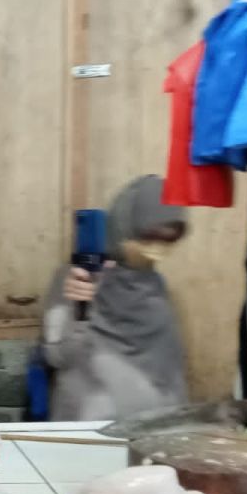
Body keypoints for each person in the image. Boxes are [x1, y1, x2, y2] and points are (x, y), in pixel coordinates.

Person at [41, 174, 189, 421]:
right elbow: (57, 356)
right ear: (125, 228)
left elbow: (171, 373)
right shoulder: (77, 278)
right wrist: (80, 312)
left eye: (168, 239)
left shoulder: (155, 285)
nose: (157, 247)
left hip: (154, 429)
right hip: (89, 430)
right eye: (150, 236)